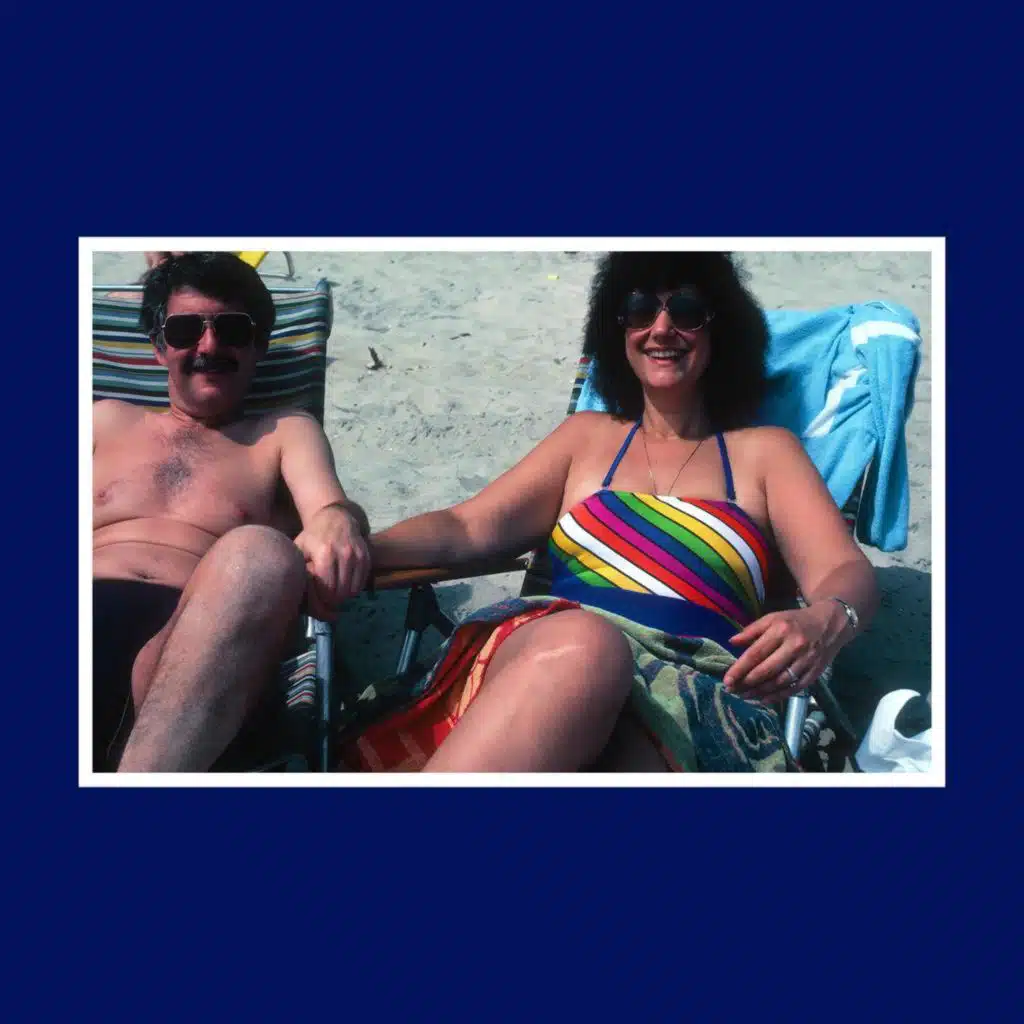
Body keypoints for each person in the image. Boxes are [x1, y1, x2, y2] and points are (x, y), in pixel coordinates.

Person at [355, 252, 879, 772]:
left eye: (688, 310)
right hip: (552, 659)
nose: (662, 328)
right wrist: (357, 548)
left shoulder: (766, 452)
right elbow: (466, 527)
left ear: (722, 329)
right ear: (617, 328)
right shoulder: (586, 438)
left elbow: (841, 568)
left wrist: (829, 617)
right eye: (640, 309)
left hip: (692, 694)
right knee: (587, 648)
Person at [93, 252, 370, 772]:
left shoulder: (283, 434)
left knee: (261, 552)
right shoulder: (103, 421)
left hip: (203, 641)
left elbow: (328, 508)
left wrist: (338, 518)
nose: (209, 346)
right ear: (159, 347)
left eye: (233, 330)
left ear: (259, 345)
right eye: (185, 330)